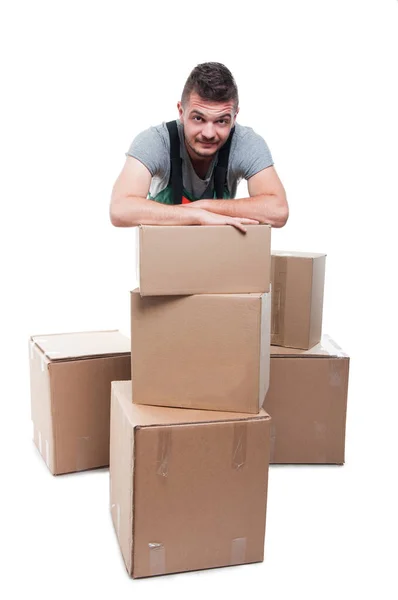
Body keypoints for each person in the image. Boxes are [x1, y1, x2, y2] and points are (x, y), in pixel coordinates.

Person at [110, 62, 288, 233]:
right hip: (165, 257)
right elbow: (120, 209)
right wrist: (196, 215)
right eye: (198, 118)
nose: (209, 133)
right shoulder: (155, 141)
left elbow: (278, 211)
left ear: (235, 117)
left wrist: (204, 206)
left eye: (221, 121)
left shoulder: (246, 143)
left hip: (219, 255)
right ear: (181, 112)